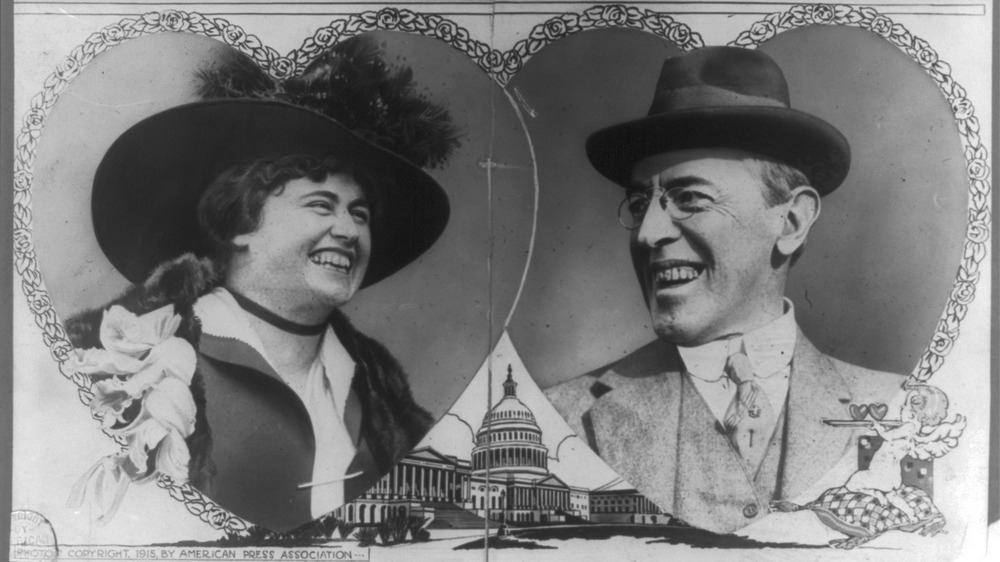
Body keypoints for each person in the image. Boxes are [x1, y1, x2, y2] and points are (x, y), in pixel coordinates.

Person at [63, 37, 456, 532]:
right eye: (320, 205)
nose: (350, 230)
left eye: (360, 214)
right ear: (239, 228)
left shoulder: (380, 394)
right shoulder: (126, 364)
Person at [544, 46, 903, 534]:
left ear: (792, 220)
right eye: (638, 202)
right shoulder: (555, 419)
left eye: (690, 199)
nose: (648, 233)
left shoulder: (904, 414)